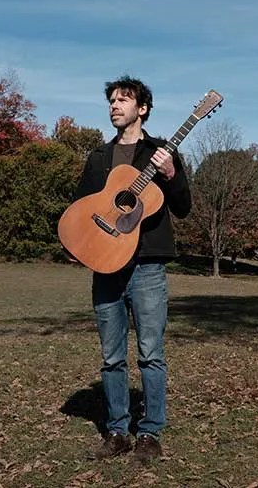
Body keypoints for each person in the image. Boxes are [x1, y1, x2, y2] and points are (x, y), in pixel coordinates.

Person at [73, 76, 191, 463]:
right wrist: (80, 245)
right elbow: (82, 210)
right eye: (111, 100)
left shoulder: (161, 153)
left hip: (147, 267)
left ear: (142, 109)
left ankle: (150, 434)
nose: (114, 105)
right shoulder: (98, 158)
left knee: (150, 353)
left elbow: (183, 207)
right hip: (106, 266)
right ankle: (118, 432)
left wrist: (171, 173)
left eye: (123, 100)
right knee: (111, 357)